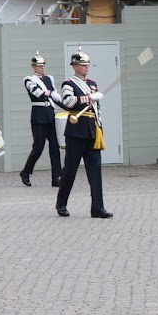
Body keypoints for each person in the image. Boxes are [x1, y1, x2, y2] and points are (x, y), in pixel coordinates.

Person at [55, 49, 112, 219]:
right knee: (70, 170)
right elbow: (67, 102)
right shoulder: (69, 84)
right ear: (75, 66)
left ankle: (97, 207)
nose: (86, 67)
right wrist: (88, 98)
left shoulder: (93, 83)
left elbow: (96, 111)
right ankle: (61, 203)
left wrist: (99, 127)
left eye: (87, 65)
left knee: (95, 171)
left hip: (92, 131)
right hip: (76, 131)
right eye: (82, 65)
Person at [19, 52, 63, 188]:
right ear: (33, 67)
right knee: (38, 148)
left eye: (43, 65)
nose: (42, 68)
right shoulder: (29, 80)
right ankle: (26, 172)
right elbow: (37, 93)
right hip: (38, 115)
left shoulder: (49, 79)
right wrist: (49, 93)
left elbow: (55, 95)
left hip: (50, 113)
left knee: (55, 147)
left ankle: (57, 177)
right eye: (39, 66)